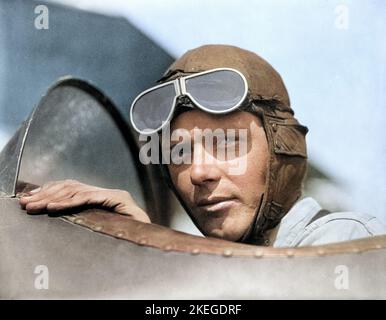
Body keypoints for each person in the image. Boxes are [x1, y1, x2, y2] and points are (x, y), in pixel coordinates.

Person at [19, 44, 386, 247]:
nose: (199, 172)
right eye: (179, 151)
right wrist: (147, 247)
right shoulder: (223, 259)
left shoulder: (342, 241)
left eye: (228, 142)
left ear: (281, 147)